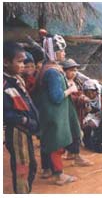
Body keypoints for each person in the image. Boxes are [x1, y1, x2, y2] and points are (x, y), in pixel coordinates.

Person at [36, 34, 80, 185]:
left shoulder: (47, 68)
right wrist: (70, 89)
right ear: (53, 52)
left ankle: (49, 169)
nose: (64, 53)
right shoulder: (53, 72)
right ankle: (58, 175)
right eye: (61, 50)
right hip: (54, 114)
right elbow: (56, 97)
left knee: (50, 142)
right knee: (56, 144)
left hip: (49, 114)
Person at [3, 41, 39, 193]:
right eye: (19, 61)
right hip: (17, 131)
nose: (23, 65)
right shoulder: (5, 85)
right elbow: (6, 113)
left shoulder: (17, 80)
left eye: (24, 61)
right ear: (5, 62)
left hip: (25, 131)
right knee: (22, 168)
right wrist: (25, 120)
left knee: (31, 165)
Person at [60, 59, 93, 166]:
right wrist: (82, 99)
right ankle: (77, 156)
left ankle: (71, 153)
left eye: (75, 70)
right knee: (77, 134)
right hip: (68, 113)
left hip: (78, 112)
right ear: (64, 71)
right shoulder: (64, 83)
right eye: (71, 70)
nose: (74, 73)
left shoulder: (76, 82)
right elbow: (70, 98)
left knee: (76, 132)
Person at [81, 79, 102, 153]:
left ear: (97, 91)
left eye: (92, 92)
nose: (90, 95)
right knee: (87, 126)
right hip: (91, 116)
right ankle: (87, 141)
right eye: (87, 93)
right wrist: (85, 111)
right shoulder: (83, 99)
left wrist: (101, 113)